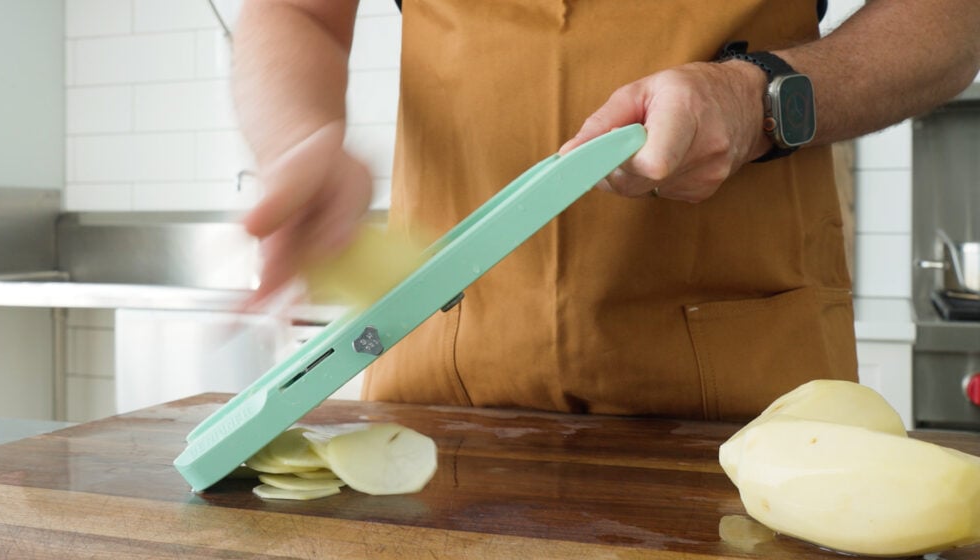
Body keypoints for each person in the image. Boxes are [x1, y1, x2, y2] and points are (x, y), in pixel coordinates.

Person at [232, 0, 980, 421]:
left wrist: (755, 98)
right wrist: (298, 137)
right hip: (441, 362)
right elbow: (297, 11)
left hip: (752, 383)